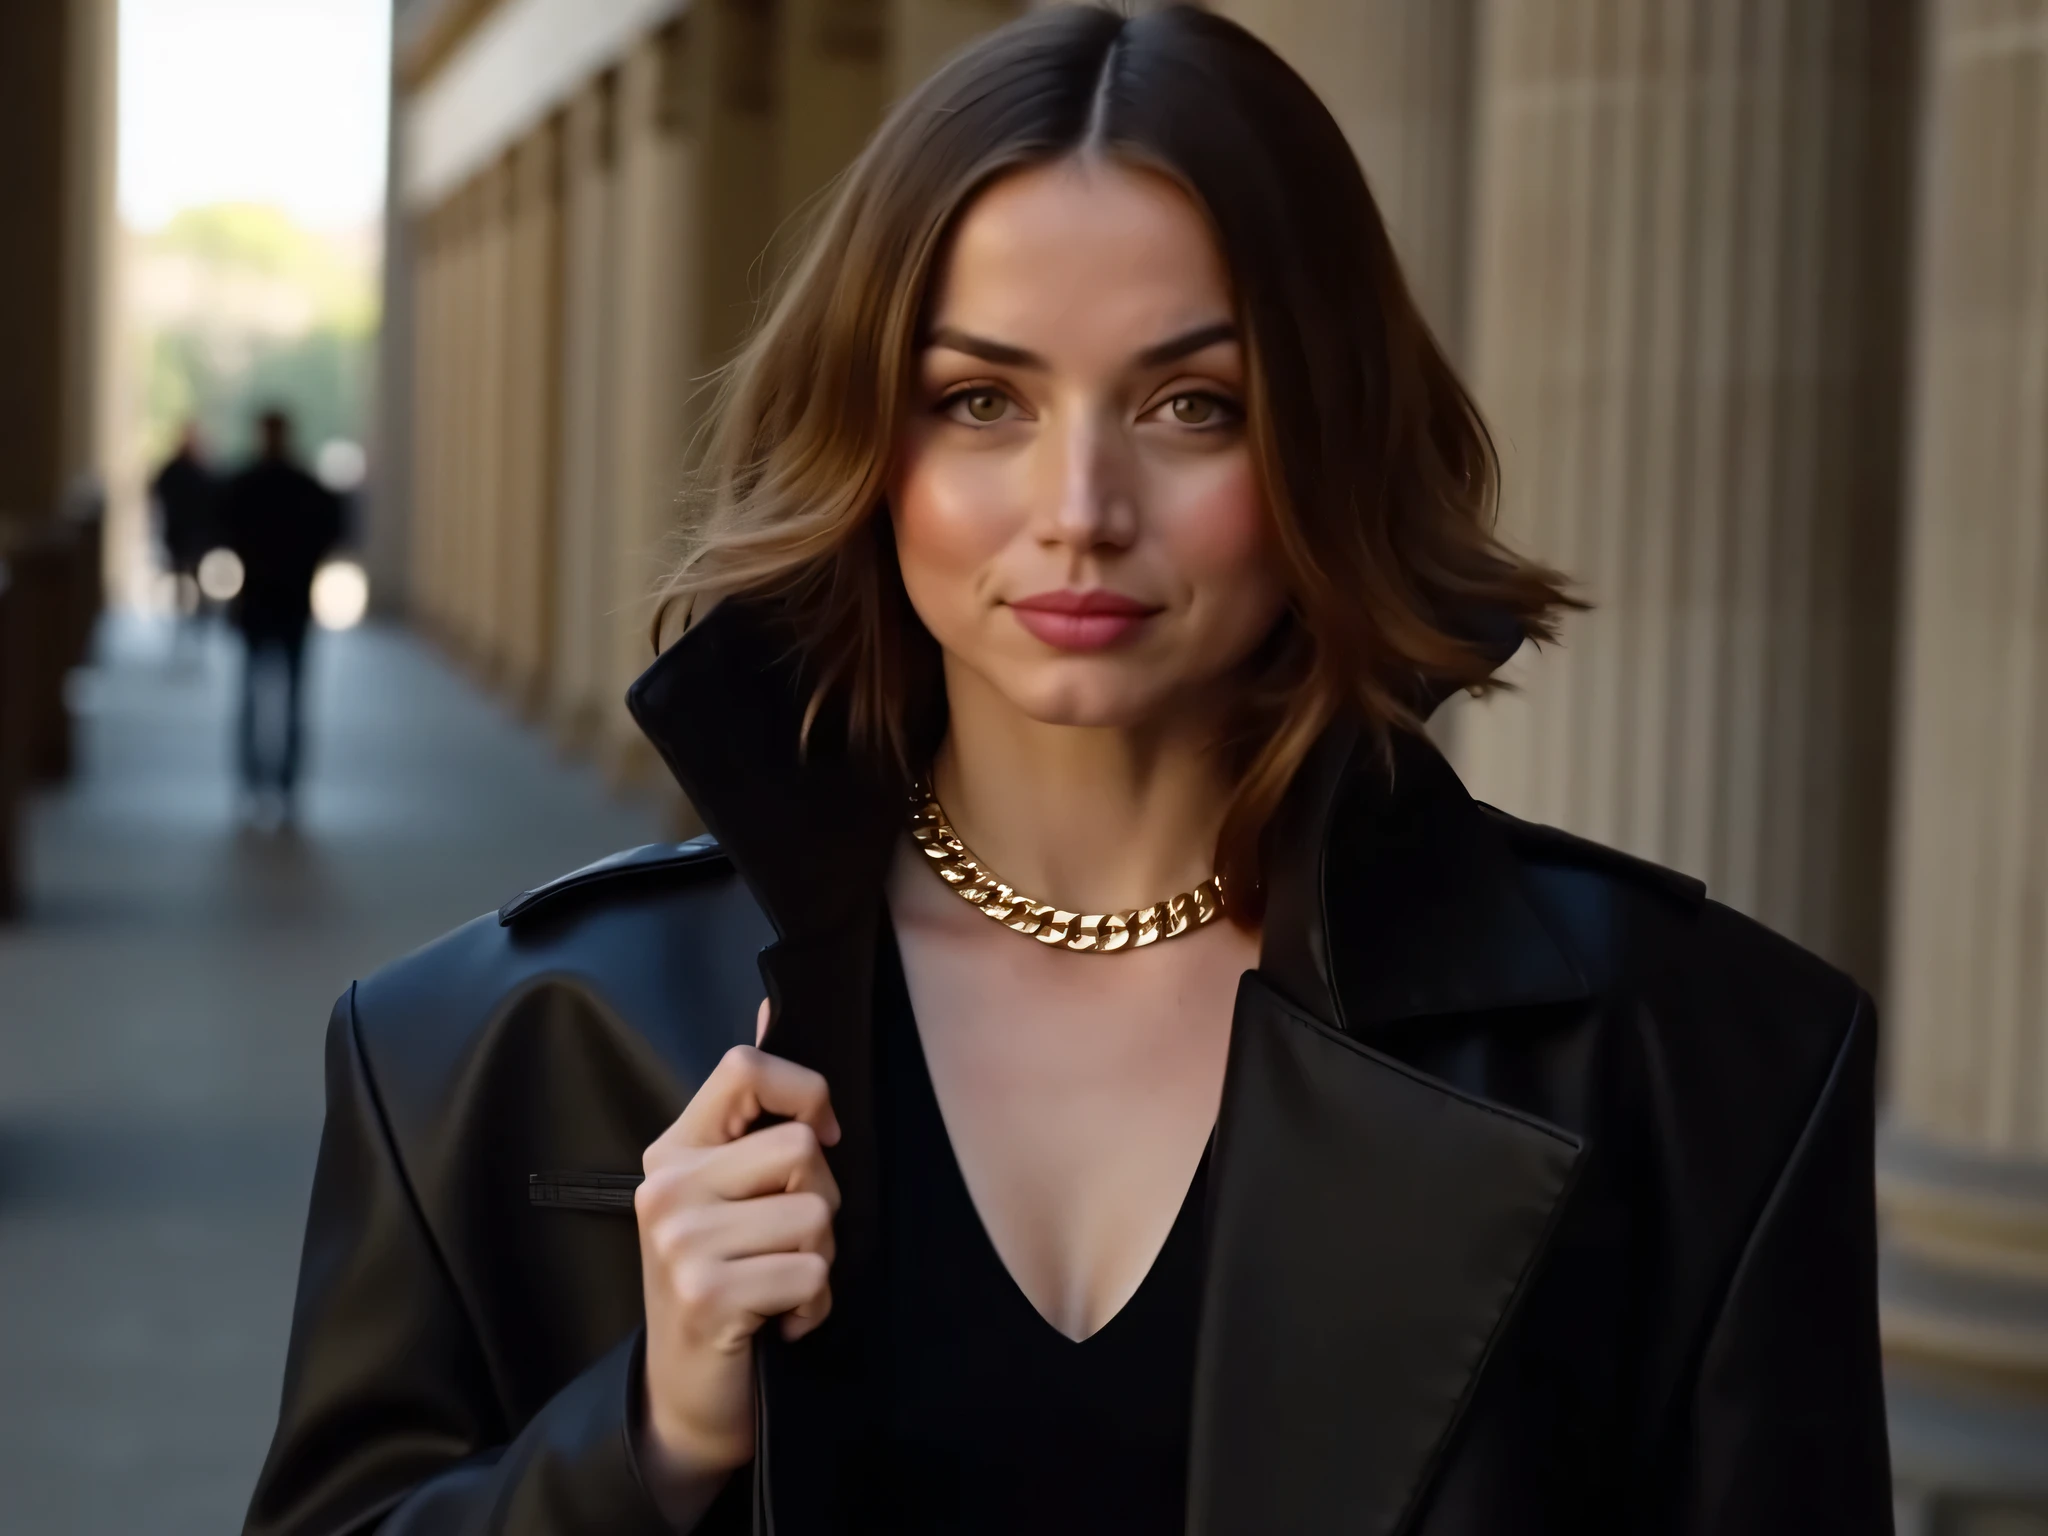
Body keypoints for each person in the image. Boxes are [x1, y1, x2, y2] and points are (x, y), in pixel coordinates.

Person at [245, 8, 1891, 1534]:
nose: (1079, 504)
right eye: (978, 400)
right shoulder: (492, 1048)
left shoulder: (1692, 1067)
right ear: (866, 449)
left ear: (1325, 438)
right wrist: (645, 1436)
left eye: (1191, 402)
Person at [218, 408, 342, 819]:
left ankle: (253, 780)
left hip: (258, 600)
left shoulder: (245, 484)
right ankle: (284, 784)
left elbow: (225, 531)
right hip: (290, 600)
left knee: (254, 694)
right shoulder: (306, 487)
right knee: (289, 697)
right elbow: (332, 531)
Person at [149, 422, 218, 634]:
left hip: (191, 535)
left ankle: (196, 615)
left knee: (194, 575)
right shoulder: (186, 470)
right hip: (182, 535)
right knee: (187, 576)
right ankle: (189, 614)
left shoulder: (191, 470)